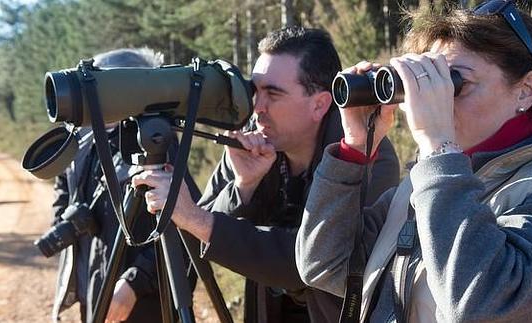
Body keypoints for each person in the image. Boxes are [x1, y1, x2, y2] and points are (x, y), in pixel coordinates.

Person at [295, 1, 532, 322]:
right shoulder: (422, 186)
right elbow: (324, 266)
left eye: (454, 83)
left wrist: (439, 148)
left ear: (526, 90)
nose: (436, 99)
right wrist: (354, 148)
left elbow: (480, 302)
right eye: (429, 83)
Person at [132, 27, 400, 322]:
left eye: (273, 93)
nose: (257, 108)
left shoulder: (369, 153)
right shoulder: (250, 144)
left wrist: (198, 220)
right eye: (254, 91)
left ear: (320, 104)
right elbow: (197, 242)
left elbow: (311, 265)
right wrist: (243, 187)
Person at [50, 48, 168, 323]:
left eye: (99, 86)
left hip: (140, 303)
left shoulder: (155, 145)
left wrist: (134, 284)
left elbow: (184, 234)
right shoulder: (84, 139)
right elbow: (63, 185)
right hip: (94, 283)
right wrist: (65, 220)